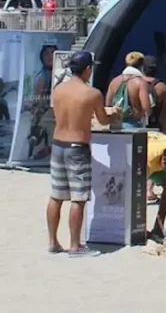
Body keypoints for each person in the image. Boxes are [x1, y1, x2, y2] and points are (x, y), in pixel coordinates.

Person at [47, 51, 112, 257]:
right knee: (78, 198)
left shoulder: (58, 90)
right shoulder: (91, 93)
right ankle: (75, 246)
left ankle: (53, 242)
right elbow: (103, 121)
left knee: (56, 196)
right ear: (88, 70)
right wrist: (115, 113)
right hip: (77, 147)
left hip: (58, 144)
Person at [141, 55, 166, 202]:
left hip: (138, 127)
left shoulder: (135, 84)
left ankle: (141, 189)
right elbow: (165, 114)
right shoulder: (162, 87)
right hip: (155, 127)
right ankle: (149, 189)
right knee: (154, 159)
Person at [106, 51, 152, 129]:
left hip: (115, 125)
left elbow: (108, 104)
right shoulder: (140, 83)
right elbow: (146, 108)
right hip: (133, 125)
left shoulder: (114, 81)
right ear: (142, 65)